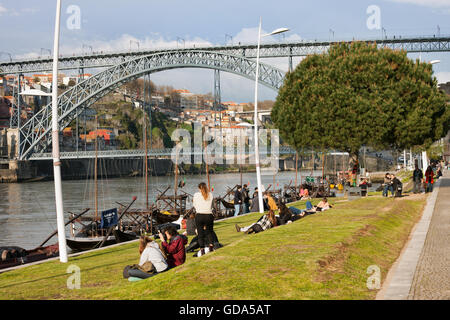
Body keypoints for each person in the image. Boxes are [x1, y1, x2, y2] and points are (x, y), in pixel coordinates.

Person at [192, 182, 215, 256]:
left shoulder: (196, 195)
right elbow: (212, 206)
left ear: (199, 188)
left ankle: (202, 250)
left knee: (200, 233)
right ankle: (211, 247)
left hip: (199, 215)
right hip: (208, 215)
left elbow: (194, 205)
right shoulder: (210, 194)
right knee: (210, 232)